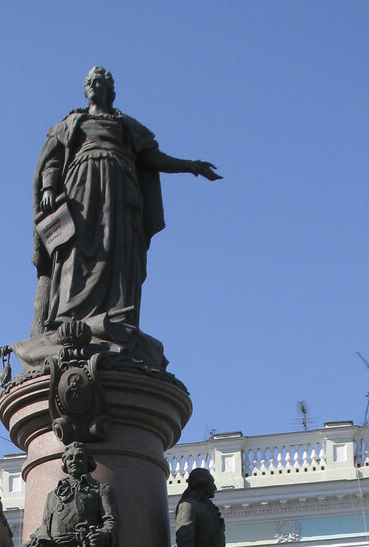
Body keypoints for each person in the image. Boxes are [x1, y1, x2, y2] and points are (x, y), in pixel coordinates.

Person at [16, 67, 221, 371]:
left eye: (99, 82)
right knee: (78, 252)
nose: (93, 86)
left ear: (110, 90)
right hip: (81, 193)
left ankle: (116, 319)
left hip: (120, 195)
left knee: (117, 252)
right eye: (89, 82)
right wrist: (48, 186)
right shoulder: (74, 122)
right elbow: (54, 158)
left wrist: (190, 166)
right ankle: (69, 319)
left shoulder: (125, 126)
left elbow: (154, 157)